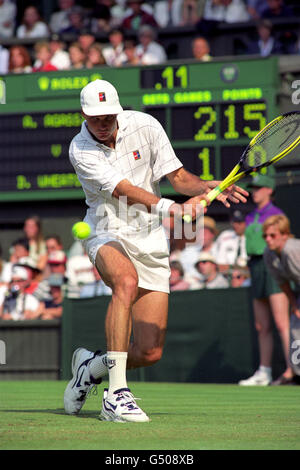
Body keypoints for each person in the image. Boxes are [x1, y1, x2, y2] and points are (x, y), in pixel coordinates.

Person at [63, 78, 248, 422]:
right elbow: (124, 190)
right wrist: (173, 209)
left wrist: (205, 185)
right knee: (126, 282)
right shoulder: (80, 149)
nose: (102, 124)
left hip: (149, 239)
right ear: (84, 115)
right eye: (95, 118)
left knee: (149, 351)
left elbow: (177, 177)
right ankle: (116, 394)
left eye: (108, 117)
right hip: (106, 230)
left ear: (118, 111)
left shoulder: (146, 125)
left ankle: (92, 365)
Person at [238, 171, 292, 386]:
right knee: (262, 326)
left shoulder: (276, 214)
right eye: (253, 189)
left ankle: (292, 369)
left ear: (269, 190)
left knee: (282, 323)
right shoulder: (251, 216)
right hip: (255, 266)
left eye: (259, 189)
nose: (254, 193)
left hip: (272, 264)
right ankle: (265, 371)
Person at [263, 214, 300, 384]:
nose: (268, 240)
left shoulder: (292, 250)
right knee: (295, 328)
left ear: (285, 234)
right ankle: (296, 374)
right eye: (265, 236)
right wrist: (294, 304)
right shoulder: (269, 254)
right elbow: (283, 283)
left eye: (273, 235)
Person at [215, 209, 247, 275]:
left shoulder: (251, 238)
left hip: (246, 276)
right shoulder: (224, 236)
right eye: (234, 222)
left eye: (239, 222)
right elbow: (219, 264)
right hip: (226, 275)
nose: (235, 225)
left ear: (245, 223)